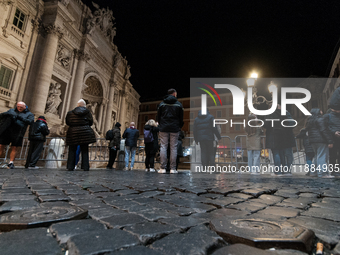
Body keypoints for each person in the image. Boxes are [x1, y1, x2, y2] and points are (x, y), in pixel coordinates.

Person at [0, 101, 34, 169]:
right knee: (1, 146)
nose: (19, 108)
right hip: (7, 131)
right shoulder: (11, 110)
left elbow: (30, 122)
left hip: (18, 133)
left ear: (25, 107)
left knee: (14, 147)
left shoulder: (29, 114)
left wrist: (19, 117)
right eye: (18, 106)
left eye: (21, 107)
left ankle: (11, 162)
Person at [157, 88, 184, 174]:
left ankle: (162, 168)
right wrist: (179, 126)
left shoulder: (161, 104)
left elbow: (158, 117)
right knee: (173, 148)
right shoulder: (179, 105)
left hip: (164, 127)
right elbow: (181, 118)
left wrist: (161, 125)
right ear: (174, 94)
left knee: (163, 147)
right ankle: (173, 169)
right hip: (175, 128)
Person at [65, 99, 96, 171]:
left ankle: (70, 166)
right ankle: (85, 167)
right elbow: (91, 122)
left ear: (77, 105)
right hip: (85, 132)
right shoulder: (88, 113)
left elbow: (67, 122)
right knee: (84, 150)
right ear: (85, 106)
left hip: (73, 132)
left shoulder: (70, 113)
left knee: (72, 150)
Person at [305, 108, 334, 178]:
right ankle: (323, 173)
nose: (322, 112)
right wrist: (329, 141)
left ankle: (314, 172)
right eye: (320, 111)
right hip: (321, 140)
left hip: (313, 141)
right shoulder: (320, 119)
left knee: (317, 156)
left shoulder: (309, 120)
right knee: (322, 156)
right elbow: (324, 130)